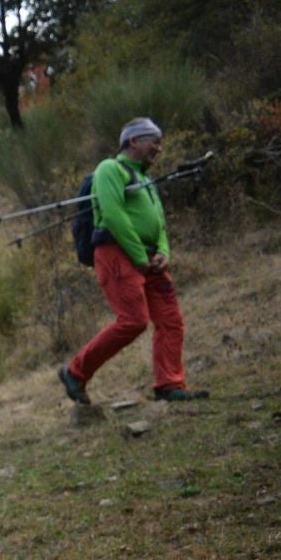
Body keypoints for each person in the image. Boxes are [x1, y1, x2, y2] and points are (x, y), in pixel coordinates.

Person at [59, 117, 208, 406]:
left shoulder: (145, 179)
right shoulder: (109, 169)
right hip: (117, 256)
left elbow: (159, 221)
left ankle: (170, 385)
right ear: (134, 141)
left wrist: (164, 252)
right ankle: (75, 373)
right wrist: (140, 257)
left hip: (150, 259)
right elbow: (113, 215)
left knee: (171, 321)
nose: (159, 149)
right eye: (154, 142)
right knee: (134, 320)